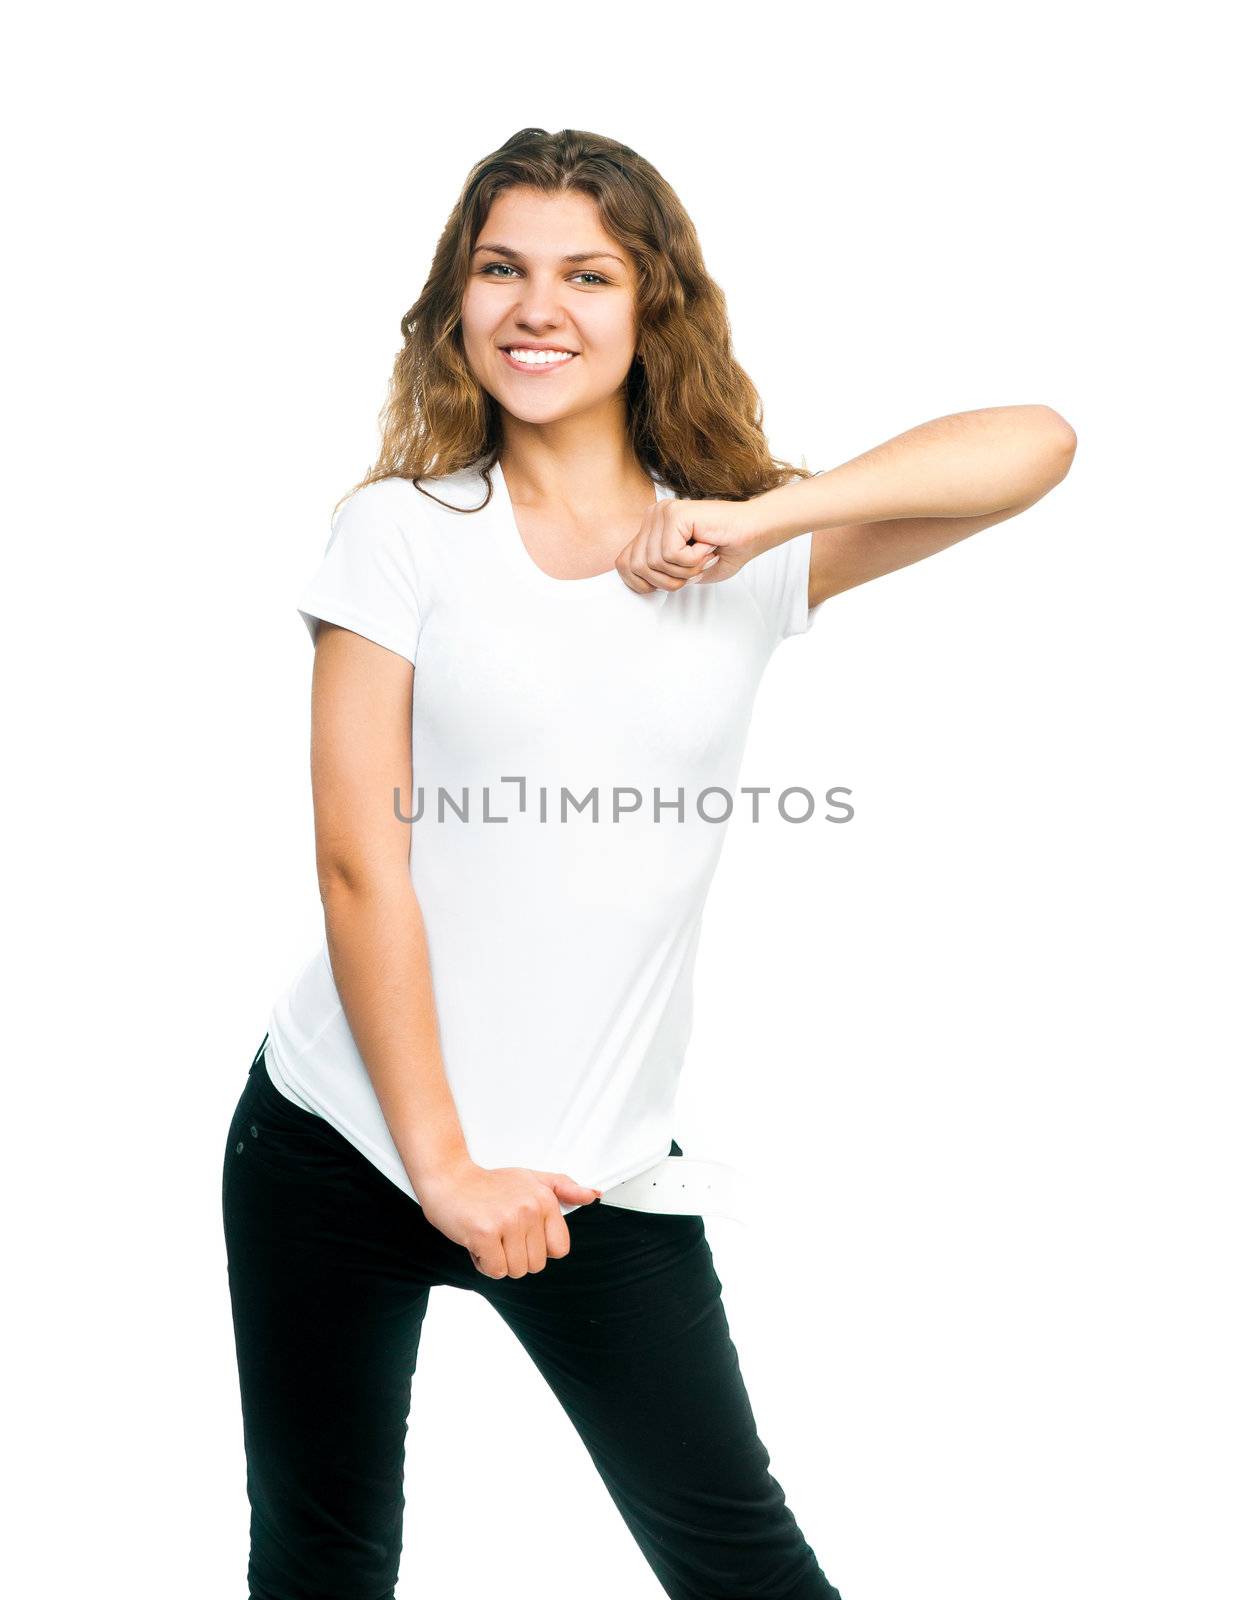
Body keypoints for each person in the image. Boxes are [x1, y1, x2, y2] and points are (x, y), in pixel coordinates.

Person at [221, 126, 1076, 1600]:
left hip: (593, 1176)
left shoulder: (741, 556)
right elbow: (361, 865)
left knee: (744, 1566)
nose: (535, 307)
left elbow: (1037, 444)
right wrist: (443, 1167)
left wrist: (767, 517)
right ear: (456, 303)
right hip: (337, 1144)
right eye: (501, 269)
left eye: (586, 273)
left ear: (651, 305)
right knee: (321, 1561)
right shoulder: (400, 536)